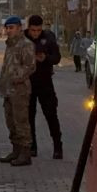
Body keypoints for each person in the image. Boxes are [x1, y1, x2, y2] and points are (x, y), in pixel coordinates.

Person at [0, 16, 37, 166]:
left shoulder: (25, 45)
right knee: (11, 122)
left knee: (21, 122)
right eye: (7, 28)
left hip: (19, 90)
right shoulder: (10, 45)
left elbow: (30, 66)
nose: (9, 31)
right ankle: (16, 150)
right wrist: (2, 79)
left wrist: (15, 78)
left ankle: (25, 153)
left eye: (12, 28)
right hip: (8, 90)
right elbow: (7, 66)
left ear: (20, 28)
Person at [25, 15, 64, 159]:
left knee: (51, 114)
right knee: (29, 116)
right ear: (28, 28)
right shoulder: (23, 38)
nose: (35, 33)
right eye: (33, 30)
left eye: (38, 30)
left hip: (45, 82)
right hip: (27, 82)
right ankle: (32, 146)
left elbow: (57, 57)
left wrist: (45, 58)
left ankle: (57, 147)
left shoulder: (48, 38)